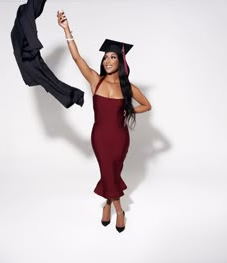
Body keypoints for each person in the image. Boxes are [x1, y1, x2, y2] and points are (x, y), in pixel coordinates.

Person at [57, 10, 152, 233]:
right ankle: (120, 211)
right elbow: (77, 58)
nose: (107, 60)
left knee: (113, 172)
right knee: (107, 171)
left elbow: (147, 105)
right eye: (105, 57)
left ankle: (107, 204)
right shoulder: (95, 81)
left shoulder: (129, 88)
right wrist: (66, 30)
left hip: (120, 139)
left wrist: (129, 109)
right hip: (99, 137)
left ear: (120, 62)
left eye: (113, 57)